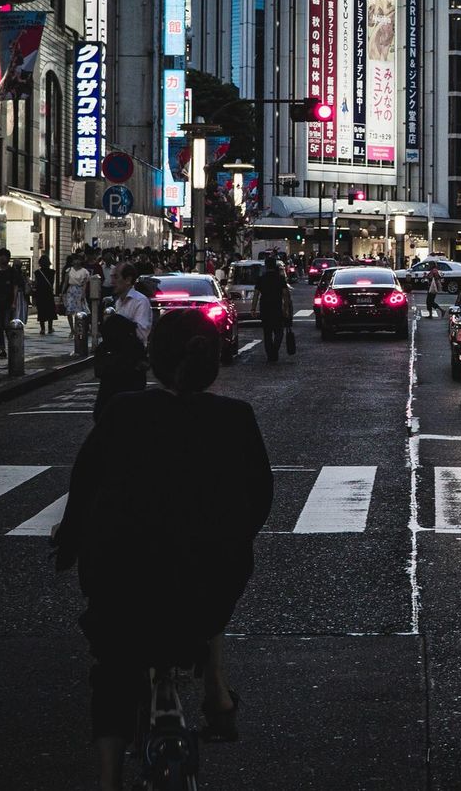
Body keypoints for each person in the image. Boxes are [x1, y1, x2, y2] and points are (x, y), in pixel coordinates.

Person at [52, 310, 274, 789]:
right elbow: (260, 499)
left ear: (153, 359)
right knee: (206, 594)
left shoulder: (125, 412)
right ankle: (215, 690)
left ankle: (110, 778)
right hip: (207, 581)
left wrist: (69, 542)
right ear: (211, 362)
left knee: (114, 665)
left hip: (122, 580)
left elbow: (84, 484)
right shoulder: (236, 418)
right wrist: (231, 538)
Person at [92, 313, 147, 422]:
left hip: (110, 393)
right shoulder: (135, 344)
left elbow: (99, 371)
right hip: (131, 393)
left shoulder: (105, 347)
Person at [251, 256, 292, 363]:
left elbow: (256, 295)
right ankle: (275, 350)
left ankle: (270, 354)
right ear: (275, 265)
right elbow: (285, 294)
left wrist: (253, 308)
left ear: (266, 266)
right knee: (279, 332)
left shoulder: (261, 278)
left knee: (267, 333)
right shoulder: (280, 278)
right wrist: (286, 309)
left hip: (265, 308)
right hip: (277, 307)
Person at [109, 262, 151, 346]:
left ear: (128, 280)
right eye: (112, 277)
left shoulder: (141, 301)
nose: (112, 282)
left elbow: (141, 334)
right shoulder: (118, 301)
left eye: (116, 277)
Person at [0, 248, 25, 359]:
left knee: (7, 325)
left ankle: (12, 346)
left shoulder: (12, 272)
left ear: (8, 258)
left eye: (4, 256)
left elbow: (15, 287)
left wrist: (14, 302)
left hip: (8, 302)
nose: (1, 258)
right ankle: (2, 348)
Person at [60, 254, 91, 336]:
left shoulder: (84, 271)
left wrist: (83, 293)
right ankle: (72, 329)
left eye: (78, 260)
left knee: (80, 311)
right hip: (71, 290)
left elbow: (85, 284)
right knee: (69, 310)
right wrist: (62, 292)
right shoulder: (69, 270)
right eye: (75, 260)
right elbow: (65, 282)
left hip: (80, 290)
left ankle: (78, 328)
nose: (76, 262)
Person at [33, 256, 58, 335]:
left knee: (41, 311)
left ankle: (42, 329)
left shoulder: (37, 272)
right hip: (49, 293)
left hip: (40, 294)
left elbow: (36, 284)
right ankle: (50, 328)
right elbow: (52, 282)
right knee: (50, 310)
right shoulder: (52, 272)